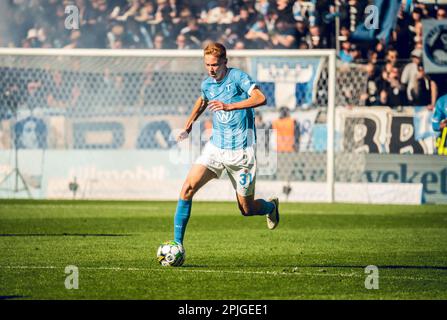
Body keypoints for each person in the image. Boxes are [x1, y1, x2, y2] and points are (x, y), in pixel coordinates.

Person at [173, 42, 280, 248]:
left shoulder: (238, 77)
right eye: (207, 65)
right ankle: (177, 245)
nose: (211, 69)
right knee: (187, 188)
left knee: (246, 209)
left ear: (224, 61)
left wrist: (230, 106)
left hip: (242, 153)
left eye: (215, 65)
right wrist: (189, 124)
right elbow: (203, 100)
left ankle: (270, 207)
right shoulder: (207, 84)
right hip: (215, 148)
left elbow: (261, 97)